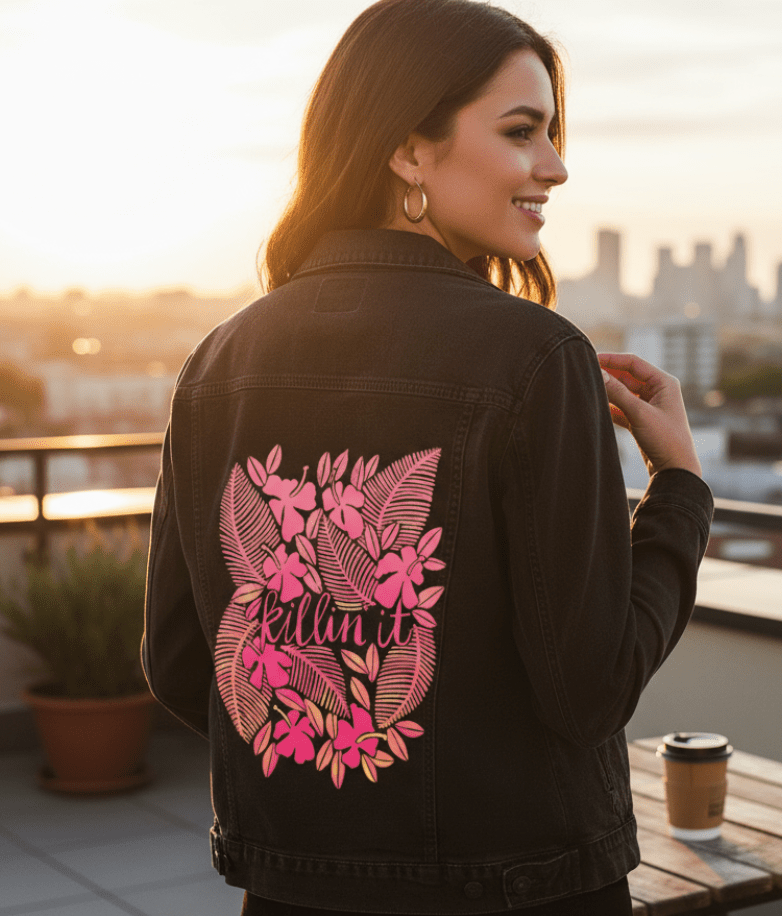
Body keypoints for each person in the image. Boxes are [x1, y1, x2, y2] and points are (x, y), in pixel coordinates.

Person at [142, 0, 714, 913]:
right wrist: (679, 490)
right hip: (521, 890)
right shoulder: (535, 358)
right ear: (409, 150)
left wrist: (330, 764)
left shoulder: (219, 362)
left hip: (295, 891)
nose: (556, 168)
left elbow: (181, 661)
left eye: (553, 134)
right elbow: (590, 689)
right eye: (522, 131)